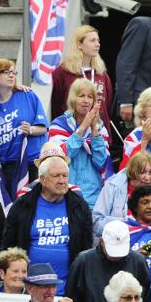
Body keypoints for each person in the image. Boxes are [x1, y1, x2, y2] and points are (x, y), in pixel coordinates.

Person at [1, 157, 92, 295]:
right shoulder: (22, 206)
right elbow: (8, 248)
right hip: (28, 291)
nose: (62, 181)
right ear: (42, 179)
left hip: (67, 291)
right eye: (56, 176)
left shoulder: (79, 206)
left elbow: (86, 248)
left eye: (65, 176)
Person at [64, 220, 151, 302]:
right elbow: (70, 300)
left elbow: (145, 301)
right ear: (101, 241)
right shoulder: (83, 261)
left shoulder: (138, 262)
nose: (116, 256)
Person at [49, 78, 113, 208]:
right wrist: (83, 127)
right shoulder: (59, 125)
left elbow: (101, 162)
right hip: (64, 196)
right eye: (81, 96)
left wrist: (94, 130)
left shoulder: (101, 128)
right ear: (73, 99)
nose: (86, 100)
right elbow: (62, 156)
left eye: (90, 97)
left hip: (92, 198)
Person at [93, 150, 151, 236]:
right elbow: (97, 223)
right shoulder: (113, 185)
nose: (147, 178)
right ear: (132, 172)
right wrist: (127, 226)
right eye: (142, 172)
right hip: (120, 241)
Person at [51, 25, 113, 139]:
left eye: (98, 41)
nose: (97, 44)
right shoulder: (62, 73)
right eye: (92, 40)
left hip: (98, 134)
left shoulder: (101, 73)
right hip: (71, 135)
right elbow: (56, 105)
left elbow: (107, 105)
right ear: (79, 44)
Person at [0, 58, 48, 195]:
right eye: (6, 72)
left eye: (14, 72)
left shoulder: (27, 95)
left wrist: (30, 129)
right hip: (6, 166)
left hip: (31, 162)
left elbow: (44, 128)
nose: (12, 75)